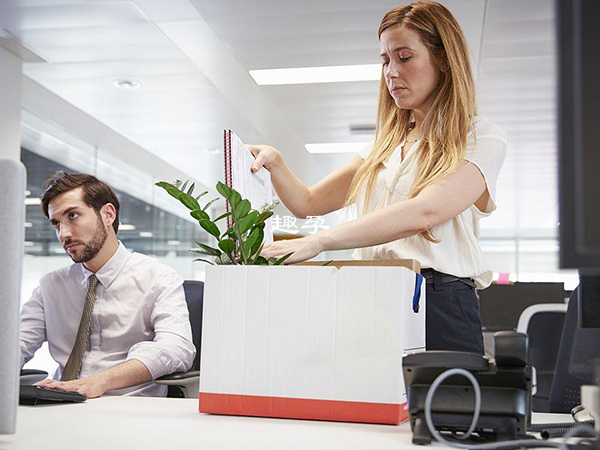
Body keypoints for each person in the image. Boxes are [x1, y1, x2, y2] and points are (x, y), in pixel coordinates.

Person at [248, 1, 507, 354]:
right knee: (366, 405)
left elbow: (426, 211)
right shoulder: (383, 147)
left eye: (404, 57)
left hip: (438, 301)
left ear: (444, 60)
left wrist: (320, 241)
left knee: (441, 409)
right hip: (371, 293)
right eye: (385, 60)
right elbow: (307, 203)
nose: (391, 72)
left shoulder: (480, 138)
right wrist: (276, 163)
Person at [19, 172, 195, 397]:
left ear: (108, 214)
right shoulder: (51, 286)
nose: (63, 234)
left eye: (73, 215)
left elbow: (177, 348)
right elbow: (18, 344)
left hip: (129, 409)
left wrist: (100, 381)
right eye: (56, 223)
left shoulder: (158, 278)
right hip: (62, 404)